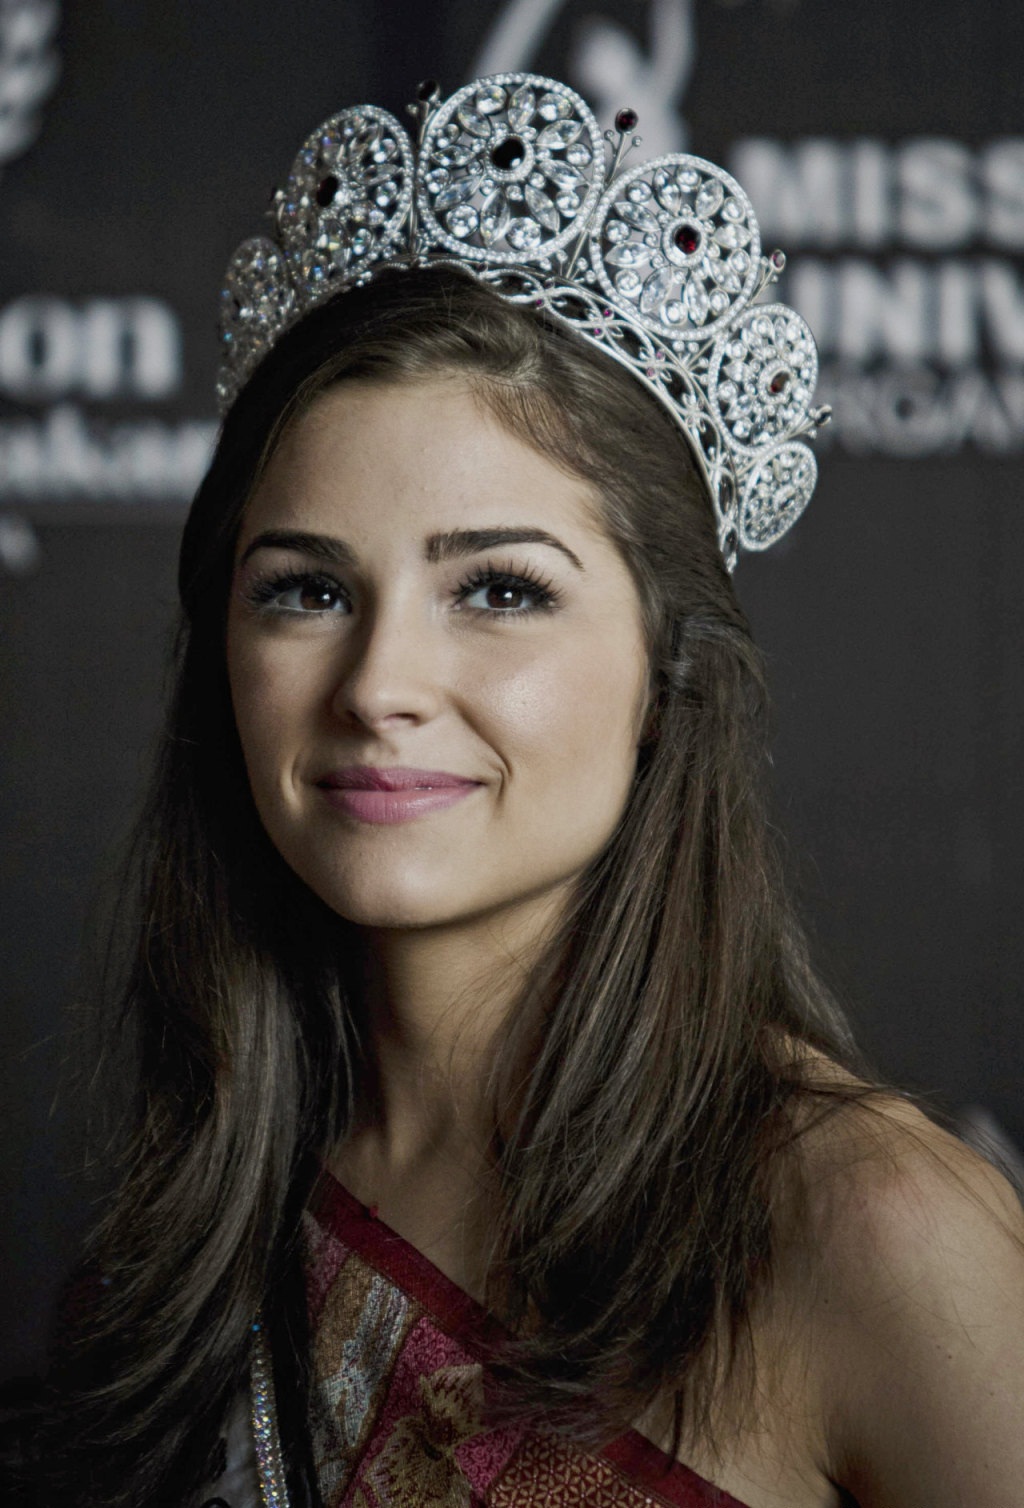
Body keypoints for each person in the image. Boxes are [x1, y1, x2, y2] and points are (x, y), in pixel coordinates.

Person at [21, 75, 1024, 1508]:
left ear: (667, 672)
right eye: (306, 590)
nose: (379, 685)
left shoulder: (871, 1231)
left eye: (499, 589)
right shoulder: (199, 1214)